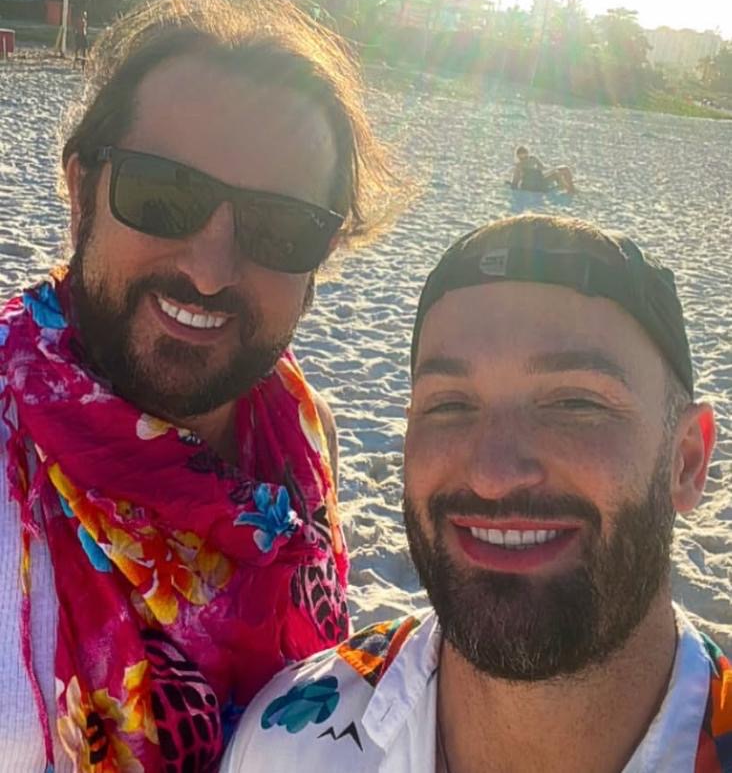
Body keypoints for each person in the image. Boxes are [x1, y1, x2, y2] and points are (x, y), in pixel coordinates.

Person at [0, 0, 408, 771]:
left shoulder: (298, 429)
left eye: (279, 227)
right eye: (163, 195)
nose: (211, 270)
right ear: (82, 193)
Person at [222, 214, 730, 773]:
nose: (493, 474)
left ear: (687, 460)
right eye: (450, 404)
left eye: (574, 403)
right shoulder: (288, 744)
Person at [511, 145, 575, 192]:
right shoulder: (519, 166)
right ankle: (567, 189)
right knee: (556, 173)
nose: (524, 160)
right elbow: (515, 182)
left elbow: (543, 167)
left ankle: (571, 188)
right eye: (522, 158)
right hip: (533, 186)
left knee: (565, 168)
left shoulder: (533, 159)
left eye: (526, 157)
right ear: (518, 157)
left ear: (528, 154)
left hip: (540, 179)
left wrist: (554, 168)